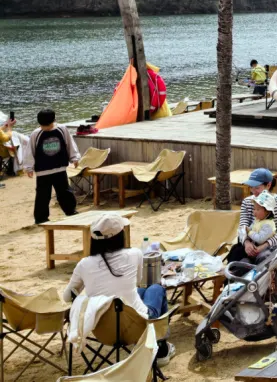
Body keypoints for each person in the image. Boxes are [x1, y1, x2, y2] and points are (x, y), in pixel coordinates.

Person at [62, 212, 173, 362]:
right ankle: (161, 350)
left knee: (139, 292)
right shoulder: (134, 254)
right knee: (155, 288)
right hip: (136, 327)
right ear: (120, 235)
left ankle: (159, 348)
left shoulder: (84, 264)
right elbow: (139, 281)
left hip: (103, 331)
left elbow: (67, 297)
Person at [26, 109, 80, 224]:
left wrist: (74, 157)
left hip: (60, 168)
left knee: (65, 192)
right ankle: (41, 218)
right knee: (43, 195)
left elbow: (70, 144)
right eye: (43, 126)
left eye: (48, 125)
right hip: (43, 171)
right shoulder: (36, 134)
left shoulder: (62, 129)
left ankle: (70, 211)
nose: (45, 128)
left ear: (54, 121)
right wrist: (29, 167)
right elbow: (30, 151)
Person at [226, 168, 277, 263]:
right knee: (236, 254)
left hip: (270, 245)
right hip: (250, 243)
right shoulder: (247, 201)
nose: (253, 191)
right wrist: (247, 243)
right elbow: (243, 226)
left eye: (257, 188)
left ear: (268, 185)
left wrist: (264, 246)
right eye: (251, 187)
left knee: (264, 258)